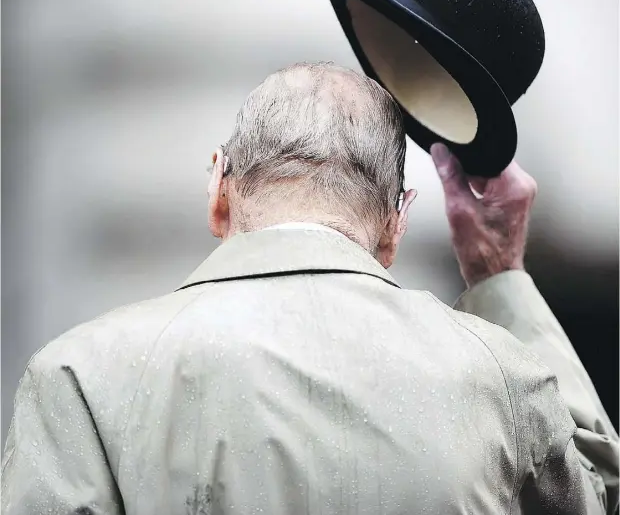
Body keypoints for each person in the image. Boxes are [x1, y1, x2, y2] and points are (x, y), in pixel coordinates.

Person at [2, 62, 618, 515]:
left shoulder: (79, 379)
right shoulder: (501, 378)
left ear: (219, 190)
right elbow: (598, 492)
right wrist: (499, 272)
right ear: (395, 222)